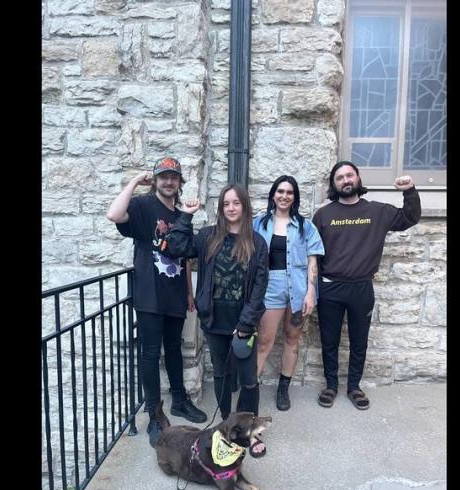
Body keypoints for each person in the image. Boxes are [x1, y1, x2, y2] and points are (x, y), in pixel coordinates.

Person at [106, 156, 208, 447]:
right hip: (149, 293)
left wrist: (189, 292)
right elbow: (114, 215)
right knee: (150, 354)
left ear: (179, 182)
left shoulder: (181, 214)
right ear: (156, 179)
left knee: (174, 349)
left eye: (173, 177)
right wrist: (135, 182)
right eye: (163, 176)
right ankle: (153, 415)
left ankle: (179, 400)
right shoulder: (141, 206)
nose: (168, 181)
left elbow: (186, 258)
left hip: (175, 293)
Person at [311, 161, 421, 410]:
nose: (345, 180)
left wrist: (410, 191)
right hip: (330, 288)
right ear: (334, 184)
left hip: (361, 288)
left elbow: (410, 217)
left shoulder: (377, 211)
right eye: (340, 177)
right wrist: (313, 287)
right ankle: (330, 385)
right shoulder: (323, 216)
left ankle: (354, 387)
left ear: (358, 179)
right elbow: (312, 256)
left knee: (359, 340)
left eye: (349, 175)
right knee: (329, 340)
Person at [162, 184, 269, 440]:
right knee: (220, 373)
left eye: (236, 203)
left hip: (243, 323)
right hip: (214, 320)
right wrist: (186, 216)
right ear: (221, 208)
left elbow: (259, 285)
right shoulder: (208, 236)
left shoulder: (257, 242)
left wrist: (246, 322)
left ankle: (249, 428)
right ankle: (227, 424)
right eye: (226, 204)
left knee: (248, 378)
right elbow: (175, 247)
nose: (231, 208)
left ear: (244, 206)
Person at [251, 176, 325, 411]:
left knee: (292, 340)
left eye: (289, 192)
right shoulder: (259, 224)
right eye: (280, 191)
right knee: (264, 342)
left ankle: (283, 388)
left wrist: (311, 292)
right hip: (269, 289)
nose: (284, 196)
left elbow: (313, 262)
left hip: (298, 291)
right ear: (273, 195)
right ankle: (250, 389)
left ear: (295, 197)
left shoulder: (306, 227)